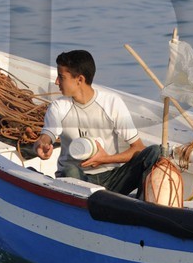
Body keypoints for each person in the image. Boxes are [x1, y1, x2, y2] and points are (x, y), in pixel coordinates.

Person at [31, 49, 163, 196]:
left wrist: (106, 159)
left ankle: (141, 208)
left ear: (79, 80)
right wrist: (42, 144)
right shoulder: (58, 106)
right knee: (69, 169)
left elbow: (138, 148)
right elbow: (47, 134)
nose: (56, 82)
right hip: (77, 179)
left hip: (112, 178)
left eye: (61, 77)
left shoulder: (112, 103)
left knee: (155, 151)